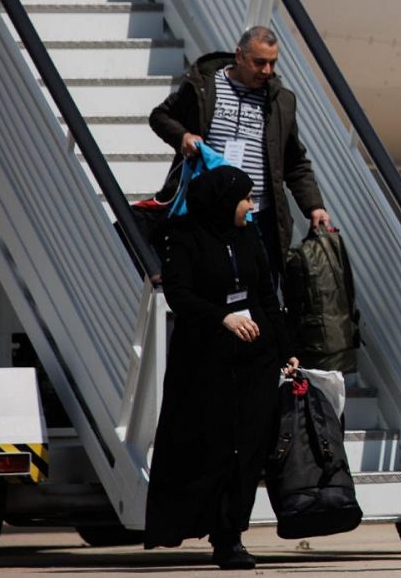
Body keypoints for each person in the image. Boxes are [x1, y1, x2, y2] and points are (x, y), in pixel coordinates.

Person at [144, 166, 298, 570]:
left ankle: (230, 537)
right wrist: (222, 318)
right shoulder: (184, 237)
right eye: (245, 199)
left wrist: (286, 349)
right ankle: (198, 523)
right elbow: (179, 294)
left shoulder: (248, 235)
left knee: (247, 451)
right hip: (204, 364)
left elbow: (265, 295)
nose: (251, 206)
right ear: (223, 202)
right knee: (209, 448)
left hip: (255, 362)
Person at [149, 26, 330, 275]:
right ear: (239, 55)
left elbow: (295, 162)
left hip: (259, 217)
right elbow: (160, 116)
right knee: (209, 284)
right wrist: (184, 137)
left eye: (272, 63)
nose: (267, 71)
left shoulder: (281, 100)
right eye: (259, 62)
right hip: (208, 215)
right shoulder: (203, 86)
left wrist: (314, 207)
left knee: (262, 289)